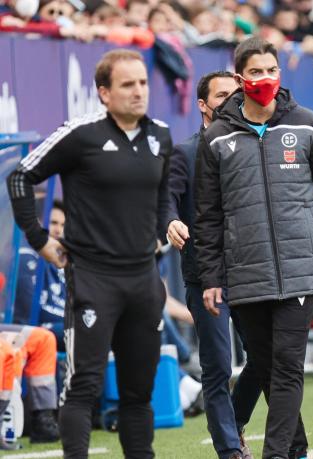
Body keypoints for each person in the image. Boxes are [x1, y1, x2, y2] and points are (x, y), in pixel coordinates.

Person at [194, 37, 313, 459]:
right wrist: (211, 277)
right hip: (246, 274)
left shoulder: (307, 124)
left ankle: (275, 454)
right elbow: (207, 216)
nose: (264, 79)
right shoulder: (215, 139)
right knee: (267, 368)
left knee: (287, 367)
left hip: (301, 269)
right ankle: (298, 448)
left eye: (271, 71)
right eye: (255, 72)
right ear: (239, 78)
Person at [6, 49, 172, 458]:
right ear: (103, 92)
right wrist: (39, 238)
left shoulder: (160, 135)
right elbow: (20, 176)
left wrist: (161, 232)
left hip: (144, 280)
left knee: (139, 391)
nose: (138, 92)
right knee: (84, 386)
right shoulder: (80, 134)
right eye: (127, 85)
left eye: (143, 83)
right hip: (93, 279)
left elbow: (167, 191)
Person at [167, 70, 307, 459]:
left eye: (236, 93)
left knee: (266, 360)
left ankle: (239, 421)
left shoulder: (250, 144)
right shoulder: (186, 152)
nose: (231, 100)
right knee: (217, 366)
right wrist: (170, 221)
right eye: (222, 95)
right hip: (205, 275)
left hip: (251, 271)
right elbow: (167, 197)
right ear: (202, 105)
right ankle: (230, 451)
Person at [15, 200, 67, 350]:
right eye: (53, 223)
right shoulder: (25, 257)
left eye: (63, 225)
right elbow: (32, 311)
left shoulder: (58, 262)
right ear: (38, 223)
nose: (58, 230)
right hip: (32, 331)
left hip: (56, 328)